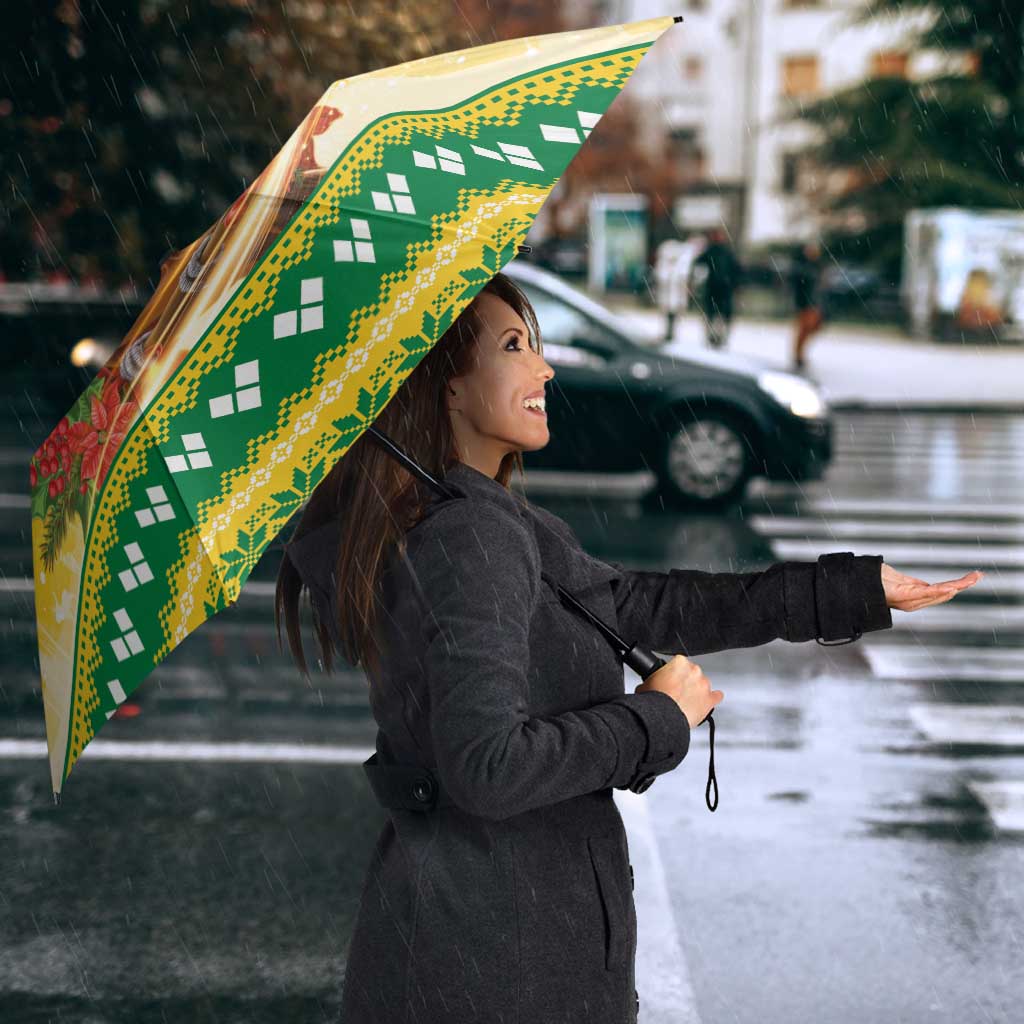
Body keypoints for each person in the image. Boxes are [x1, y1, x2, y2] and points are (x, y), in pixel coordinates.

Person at [276, 272, 982, 1024]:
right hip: (500, 963)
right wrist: (656, 719)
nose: (545, 368)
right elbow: (488, 767)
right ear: (446, 385)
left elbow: (640, 606)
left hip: (472, 941)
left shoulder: (469, 519)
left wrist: (849, 590)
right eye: (514, 347)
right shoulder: (471, 536)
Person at [692, 226, 742, 349]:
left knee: (719, 315)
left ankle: (719, 337)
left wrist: (735, 284)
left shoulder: (724, 252)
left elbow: (736, 270)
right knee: (714, 314)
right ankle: (713, 337)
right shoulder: (714, 251)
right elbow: (698, 263)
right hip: (716, 288)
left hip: (722, 289)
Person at [790, 239, 826, 370]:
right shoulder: (802, 267)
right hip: (805, 303)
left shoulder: (816, 266)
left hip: (814, 303)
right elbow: (799, 286)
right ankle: (798, 355)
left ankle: (799, 354)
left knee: (812, 327)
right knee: (804, 329)